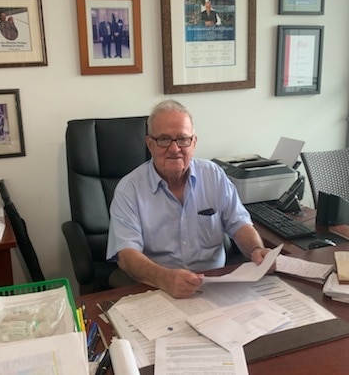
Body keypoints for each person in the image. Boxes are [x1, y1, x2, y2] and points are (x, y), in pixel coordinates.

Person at [106, 99, 274, 299]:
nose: (175, 149)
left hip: (213, 285)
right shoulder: (129, 189)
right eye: (164, 139)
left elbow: (239, 224)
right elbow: (127, 255)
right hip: (156, 288)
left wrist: (257, 249)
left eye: (183, 139)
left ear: (194, 143)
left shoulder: (214, 175)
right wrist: (164, 278)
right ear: (150, 144)